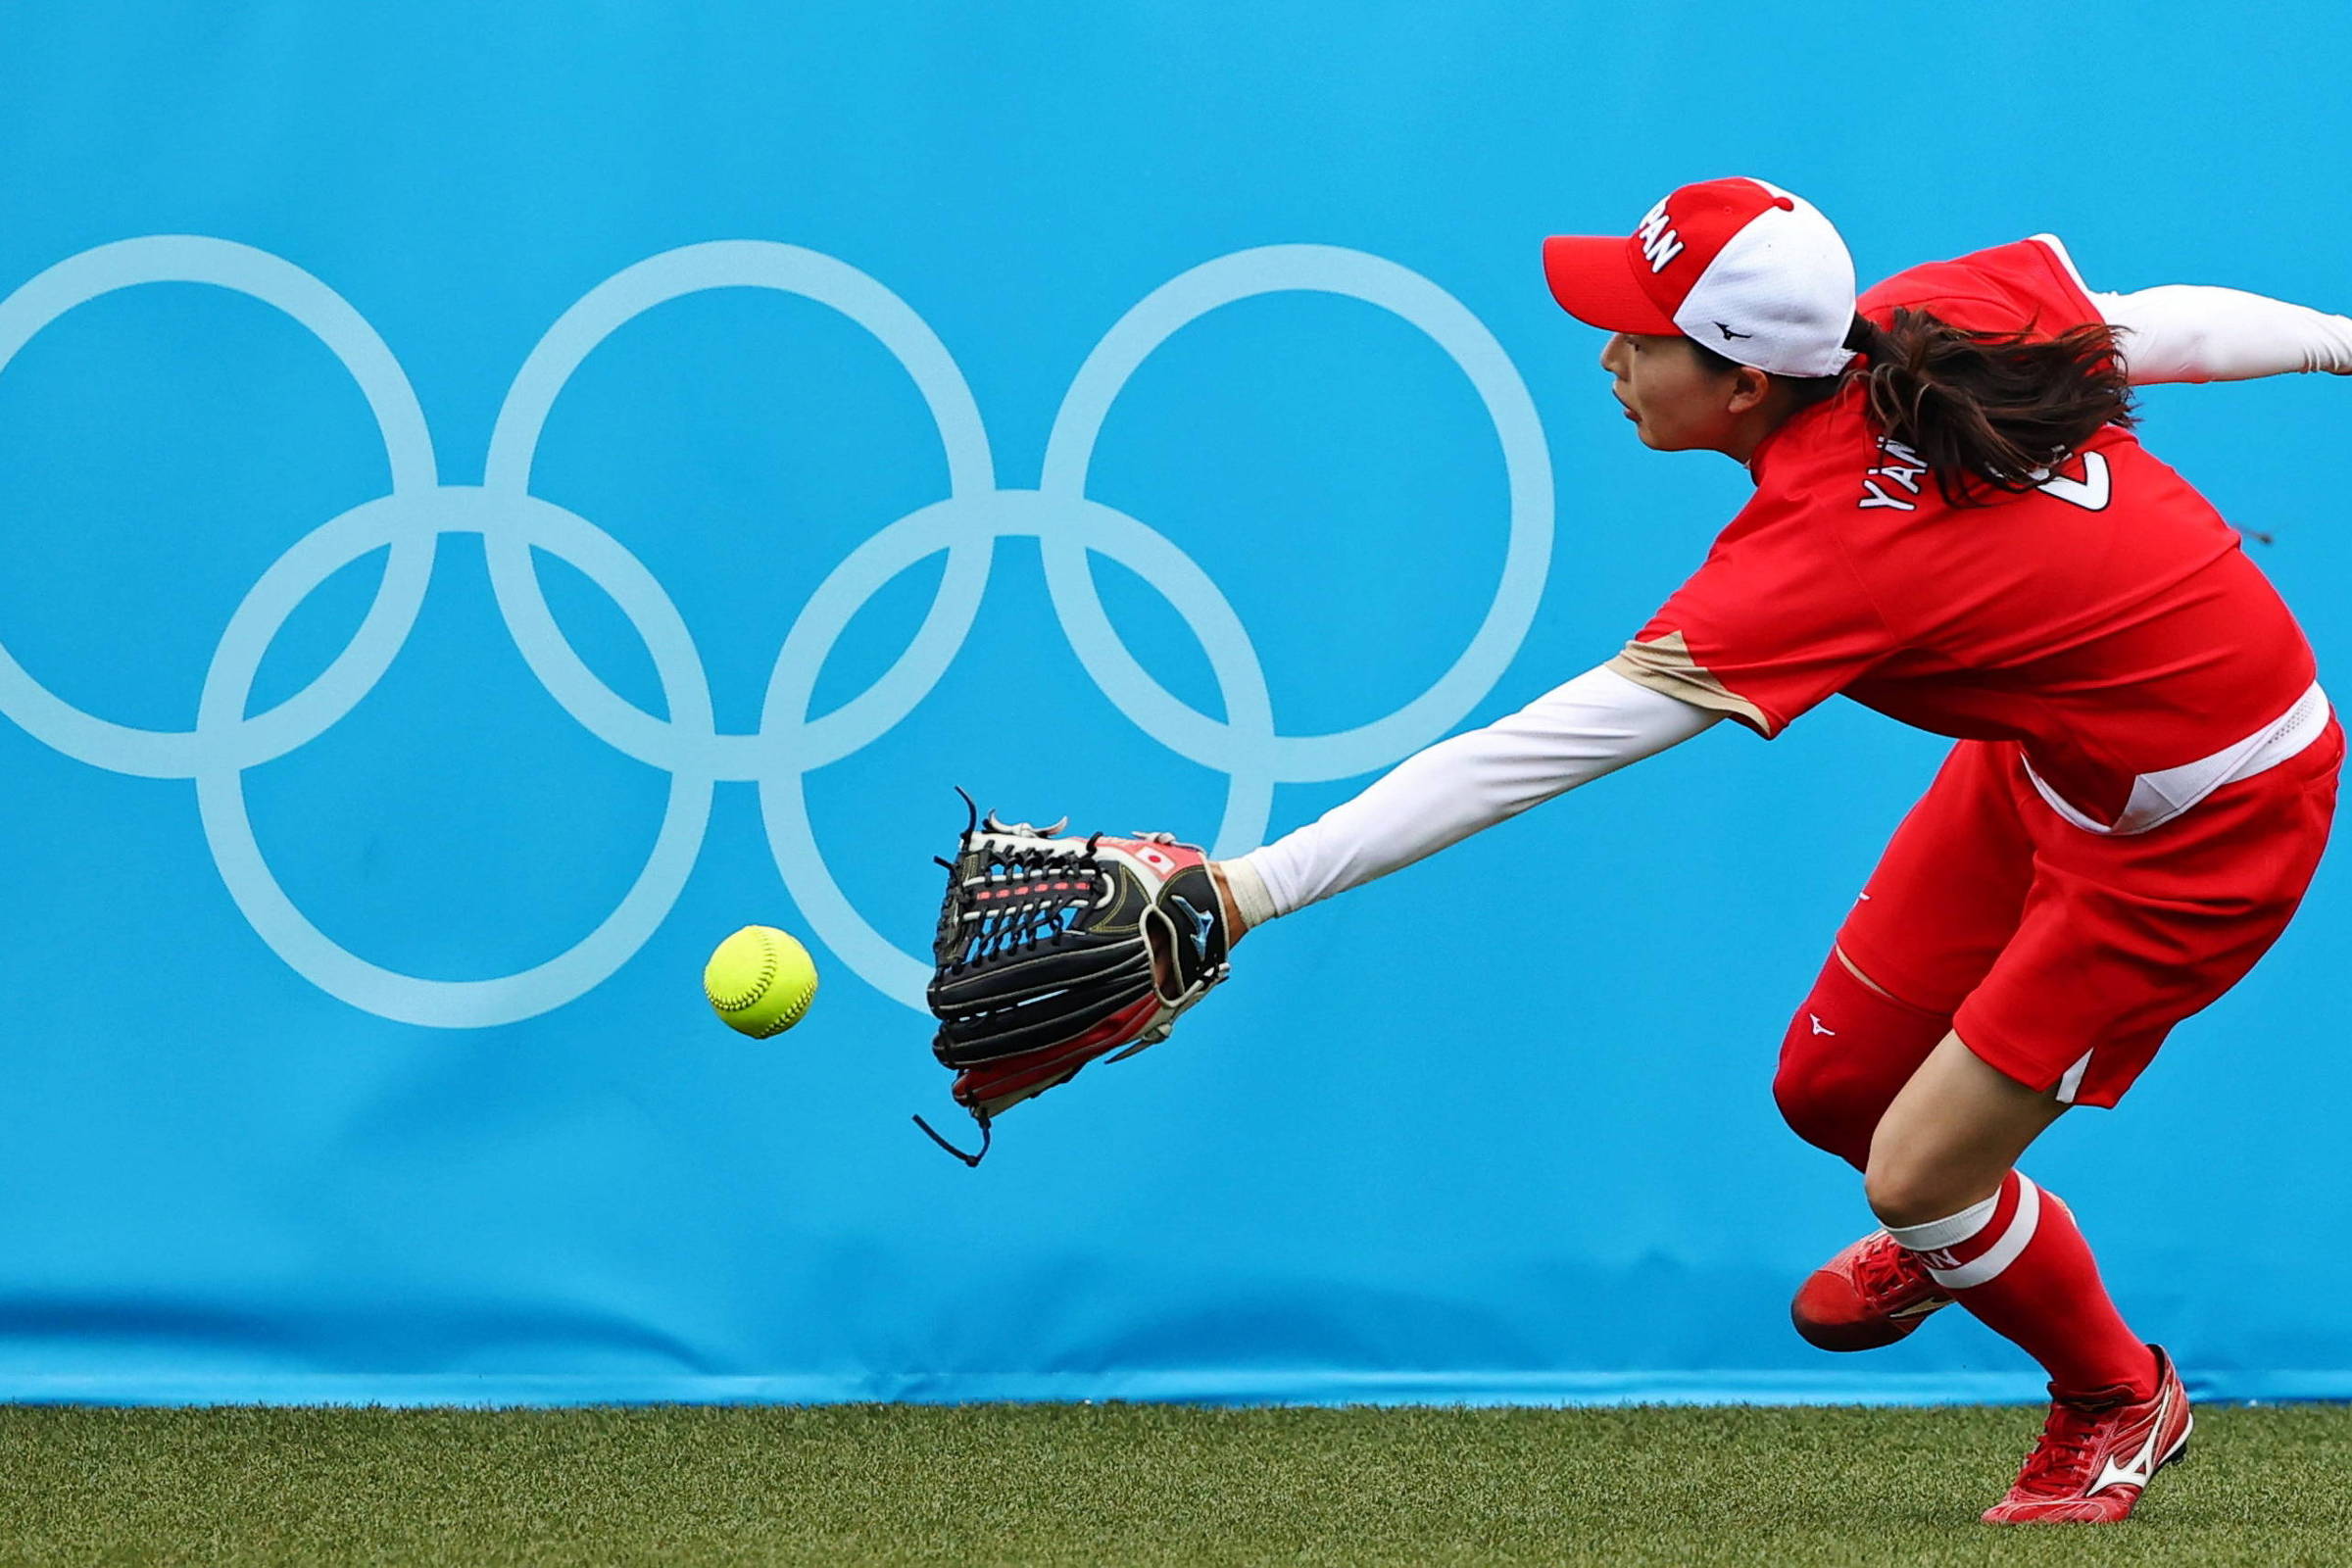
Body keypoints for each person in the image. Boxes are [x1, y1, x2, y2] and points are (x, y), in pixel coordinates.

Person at [1198, 177, 2352, 1524]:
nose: (1608, 357)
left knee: (1916, 1175)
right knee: (1829, 1092)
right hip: (2055, 754)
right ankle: (1975, 1244)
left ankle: (2114, 1397)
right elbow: (2155, 327)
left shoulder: (1828, 546)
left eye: (1641, 336)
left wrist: (1251, 888)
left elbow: (1519, 761)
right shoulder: (1915, 322)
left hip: (2206, 820)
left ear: (1745, 383)